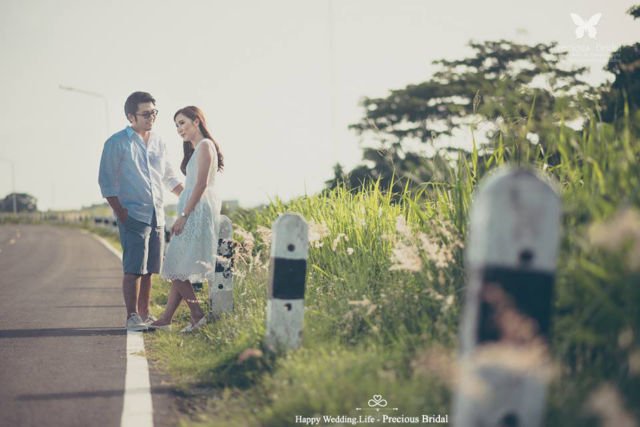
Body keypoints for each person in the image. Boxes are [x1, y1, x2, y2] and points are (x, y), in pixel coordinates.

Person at [98, 92, 183, 331]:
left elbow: (169, 177)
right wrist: (121, 213)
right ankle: (132, 316)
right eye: (146, 114)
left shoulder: (159, 142)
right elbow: (106, 182)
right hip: (133, 214)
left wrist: (189, 198)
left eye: (154, 113)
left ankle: (145, 313)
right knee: (134, 268)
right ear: (131, 116)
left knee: (150, 269)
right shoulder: (116, 143)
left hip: (157, 214)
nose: (151, 118)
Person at [150, 106, 224, 333]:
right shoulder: (196, 149)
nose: (179, 129)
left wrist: (184, 215)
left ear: (197, 121)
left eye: (182, 123)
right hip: (194, 208)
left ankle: (197, 313)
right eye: (176, 125)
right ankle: (167, 318)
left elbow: (201, 185)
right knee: (178, 267)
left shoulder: (204, 146)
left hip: (196, 211)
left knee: (173, 265)